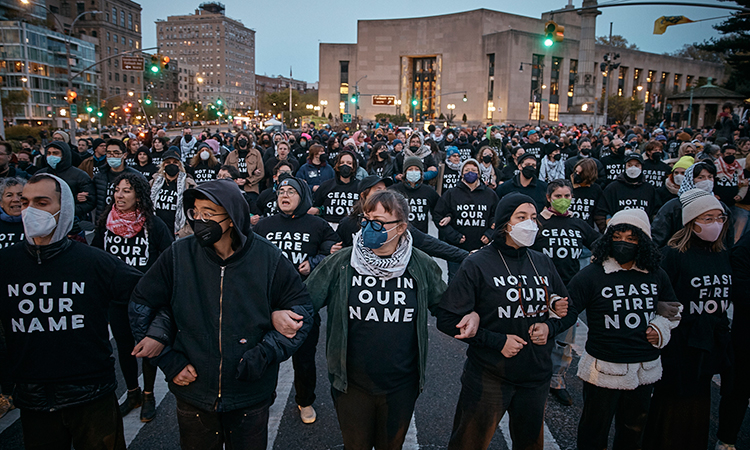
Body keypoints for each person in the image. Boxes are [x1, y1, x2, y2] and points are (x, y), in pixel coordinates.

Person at [129, 179, 313, 450]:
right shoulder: (179, 255)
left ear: (232, 217)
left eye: (209, 213)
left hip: (250, 395)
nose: (200, 219)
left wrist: (265, 354)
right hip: (193, 393)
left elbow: (302, 311)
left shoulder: (267, 256)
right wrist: (168, 361)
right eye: (196, 212)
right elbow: (142, 305)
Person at [0, 173, 142, 449]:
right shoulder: (6, 264)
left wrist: (154, 334)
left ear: (63, 208)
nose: (30, 211)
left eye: (42, 202)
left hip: (92, 395)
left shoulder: (93, 262)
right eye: (25, 202)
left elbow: (148, 293)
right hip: (33, 399)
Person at [305, 189, 447, 450]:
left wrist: (473, 316)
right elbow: (304, 304)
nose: (370, 227)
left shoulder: (421, 265)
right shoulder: (342, 262)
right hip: (352, 385)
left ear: (402, 227)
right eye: (366, 220)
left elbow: (446, 309)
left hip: (401, 387)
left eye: (379, 222)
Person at [436, 193, 570, 450]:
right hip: (489, 375)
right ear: (504, 222)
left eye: (533, 217)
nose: (529, 223)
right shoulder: (477, 263)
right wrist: (496, 341)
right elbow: (447, 318)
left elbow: (566, 308)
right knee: (469, 443)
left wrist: (550, 324)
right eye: (521, 217)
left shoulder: (541, 261)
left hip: (535, 376)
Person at [562, 209, 680, 450]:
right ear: (608, 238)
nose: (624, 243)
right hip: (604, 368)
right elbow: (567, 309)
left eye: (632, 238)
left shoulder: (656, 274)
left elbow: (673, 310)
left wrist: (660, 328)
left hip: (643, 368)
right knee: (594, 430)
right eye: (618, 236)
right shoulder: (591, 275)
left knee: (632, 431)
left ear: (643, 241)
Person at [639, 189, 731, 450]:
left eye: (720, 217)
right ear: (692, 222)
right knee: (671, 406)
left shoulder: (722, 253)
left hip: (710, 343)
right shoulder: (673, 254)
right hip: (679, 344)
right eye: (708, 218)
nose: (716, 223)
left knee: (699, 406)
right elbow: (658, 296)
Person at [253, 176, 340, 425]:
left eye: (292, 191)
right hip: (268, 304)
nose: (285, 195)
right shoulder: (264, 225)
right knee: (265, 354)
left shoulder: (318, 224)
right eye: (281, 191)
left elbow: (332, 251)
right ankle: (265, 397)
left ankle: (305, 400)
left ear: (302, 196)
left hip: (303, 303)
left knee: (304, 359)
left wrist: (313, 263)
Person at [92, 172, 172, 422]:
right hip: (116, 299)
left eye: (126, 190)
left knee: (146, 348)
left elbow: (168, 257)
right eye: (117, 190)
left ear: (139, 195)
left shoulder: (153, 224)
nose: (119, 195)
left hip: (145, 299)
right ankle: (132, 392)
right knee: (125, 349)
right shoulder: (106, 223)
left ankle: (148, 394)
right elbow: (95, 256)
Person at [533, 180, 600, 406]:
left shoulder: (578, 224)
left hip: (568, 291)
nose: (563, 200)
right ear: (549, 198)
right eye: (558, 195)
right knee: (536, 334)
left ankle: (556, 380)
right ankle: (532, 376)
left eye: (567, 195)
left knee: (564, 340)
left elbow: (599, 244)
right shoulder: (539, 222)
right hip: (540, 289)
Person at [715, 230, 750, 450]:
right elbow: (739, 289)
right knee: (739, 390)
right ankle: (727, 439)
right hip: (746, 335)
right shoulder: (745, 247)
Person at [435, 158, 498, 279]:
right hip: (456, 248)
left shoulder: (490, 195)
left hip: (481, 248)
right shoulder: (451, 193)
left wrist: (490, 234)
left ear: (479, 174)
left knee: (481, 280)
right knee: (455, 279)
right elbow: (438, 215)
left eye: (474, 170)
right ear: (462, 173)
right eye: (467, 170)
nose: (470, 172)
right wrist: (453, 235)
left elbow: (496, 216)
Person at [651, 161, 734, 248]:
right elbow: (658, 237)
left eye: (710, 177)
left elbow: (728, 237)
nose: (707, 181)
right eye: (701, 177)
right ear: (690, 180)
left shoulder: (720, 206)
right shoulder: (674, 206)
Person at [594, 154, 657, 231]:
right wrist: (608, 232)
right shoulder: (613, 188)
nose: (633, 168)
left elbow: (656, 214)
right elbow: (600, 213)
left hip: (643, 234)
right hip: (618, 235)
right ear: (625, 167)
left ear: (642, 167)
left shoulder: (649, 189)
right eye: (629, 165)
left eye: (637, 165)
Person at [38, 140, 96, 220]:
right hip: (45, 219)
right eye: (49, 153)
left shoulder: (79, 175)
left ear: (64, 155)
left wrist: (69, 212)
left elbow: (90, 201)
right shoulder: (41, 175)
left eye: (55, 153)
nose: (51, 156)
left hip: (73, 221)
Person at [93, 139, 144, 220]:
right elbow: (93, 199)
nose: (112, 156)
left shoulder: (135, 176)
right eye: (109, 153)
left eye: (116, 153)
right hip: (103, 221)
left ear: (124, 155)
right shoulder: (99, 176)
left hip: (128, 222)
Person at [150, 148, 197, 238]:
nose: (171, 165)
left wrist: (185, 232)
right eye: (168, 162)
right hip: (156, 232)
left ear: (179, 165)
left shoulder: (189, 184)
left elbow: (195, 211)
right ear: (163, 165)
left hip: (177, 233)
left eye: (175, 162)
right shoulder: (154, 183)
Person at [390, 156, 440, 234]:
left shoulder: (428, 191)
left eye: (417, 169)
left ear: (421, 172)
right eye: (410, 169)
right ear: (405, 172)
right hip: (399, 234)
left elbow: (439, 211)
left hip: (421, 235)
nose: (413, 172)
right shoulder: (394, 190)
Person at [311, 150, 361, 226]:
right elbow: (315, 205)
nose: (345, 165)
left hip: (353, 227)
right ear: (337, 165)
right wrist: (319, 211)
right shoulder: (326, 185)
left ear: (354, 167)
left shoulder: (360, 186)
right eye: (342, 162)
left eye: (349, 163)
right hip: (329, 226)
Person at [714, 144, 748, 240]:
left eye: (733, 154)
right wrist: (713, 195)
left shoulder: (737, 167)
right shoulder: (716, 166)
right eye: (728, 153)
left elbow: (743, 184)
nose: (731, 156)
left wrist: (740, 195)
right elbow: (710, 182)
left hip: (733, 204)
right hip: (719, 203)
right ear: (722, 154)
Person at [569, 158, 604, 230]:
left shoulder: (596, 189)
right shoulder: (567, 187)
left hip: (586, 228)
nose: (577, 175)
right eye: (576, 172)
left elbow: (598, 212)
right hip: (569, 226)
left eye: (580, 173)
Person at [0, 177, 25, 248]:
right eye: (9, 195)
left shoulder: (36, 225)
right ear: (1, 202)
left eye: (20, 195)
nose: (16, 199)